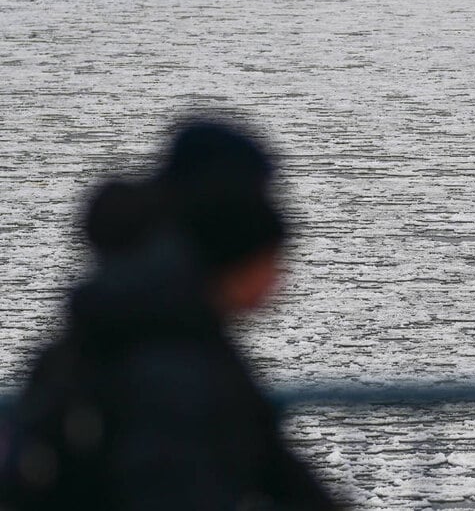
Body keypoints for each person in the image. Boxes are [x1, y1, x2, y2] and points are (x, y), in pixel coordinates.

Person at [0, 120, 340, 510]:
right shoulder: (175, 358)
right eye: (272, 260)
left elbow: (268, 459)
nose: (280, 280)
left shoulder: (133, 320)